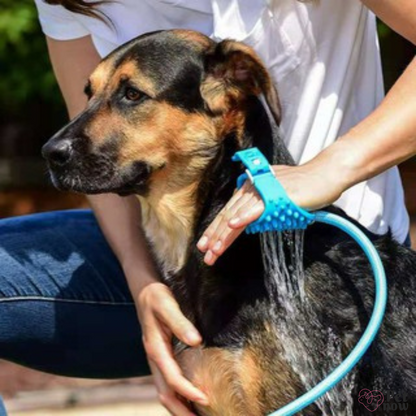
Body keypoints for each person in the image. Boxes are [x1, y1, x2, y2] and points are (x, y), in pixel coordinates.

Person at [0, 1, 415, 415]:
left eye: (132, 95)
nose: (60, 144)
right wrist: (143, 283)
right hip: (158, 261)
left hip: (322, 259)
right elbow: (85, 122)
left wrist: (333, 168)